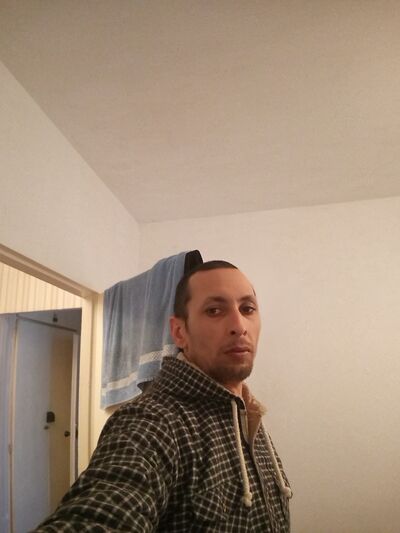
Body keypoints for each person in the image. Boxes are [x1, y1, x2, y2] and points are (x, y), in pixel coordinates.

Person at [34, 260, 292, 532]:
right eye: (214, 310)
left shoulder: (247, 413)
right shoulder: (152, 422)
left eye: (247, 308)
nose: (239, 326)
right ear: (180, 332)